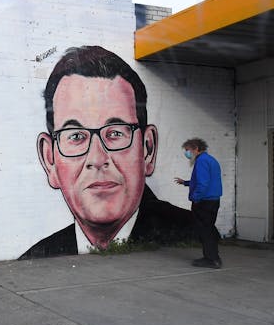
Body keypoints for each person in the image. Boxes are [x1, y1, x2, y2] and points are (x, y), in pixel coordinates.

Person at [21, 46, 194, 259]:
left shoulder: (192, 237)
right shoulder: (39, 256)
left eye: (115, 133)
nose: (97, 159)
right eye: (76, 136)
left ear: (147, 149)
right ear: (50, 160)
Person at [174, 138, 223, 268]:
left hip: (204, 202)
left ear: (196, 148)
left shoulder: (201, 161)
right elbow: (204, 180)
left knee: (205, 230)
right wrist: (185, 182)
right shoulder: (210, 160)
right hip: (212, 201)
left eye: (187, 150)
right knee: (209, 229)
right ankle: (213, 257)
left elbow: (203, 183)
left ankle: (211, 260)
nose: (186, 153)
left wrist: (195, 198)